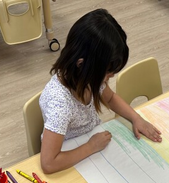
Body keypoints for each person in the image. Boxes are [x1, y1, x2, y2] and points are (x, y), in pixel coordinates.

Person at [39, 8, 162, 174]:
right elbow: (49, 163)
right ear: (82, 64)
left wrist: (136, 118)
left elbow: (110, 98)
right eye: (107, 73)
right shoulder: (60, 104)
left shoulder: (87, 78)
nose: (110, 77)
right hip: (69, 154)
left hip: (91, 142)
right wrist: (90, 147)